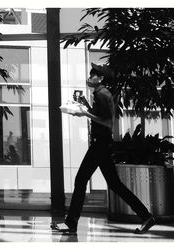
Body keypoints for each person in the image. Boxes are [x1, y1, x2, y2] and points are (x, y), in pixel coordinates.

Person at [51, 63, 155, 234]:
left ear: (100, 78)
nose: (90, 77)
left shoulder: (102, 94)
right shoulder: (100, 93)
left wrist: (84, 113)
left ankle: (71, 224)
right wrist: (85, 105)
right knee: (115, 184)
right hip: (102, 144)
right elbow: (101, 116)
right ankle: (147, 217)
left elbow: (107, 122)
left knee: (81, 180)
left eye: (93, 75)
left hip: (100, 144)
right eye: (91, 74)